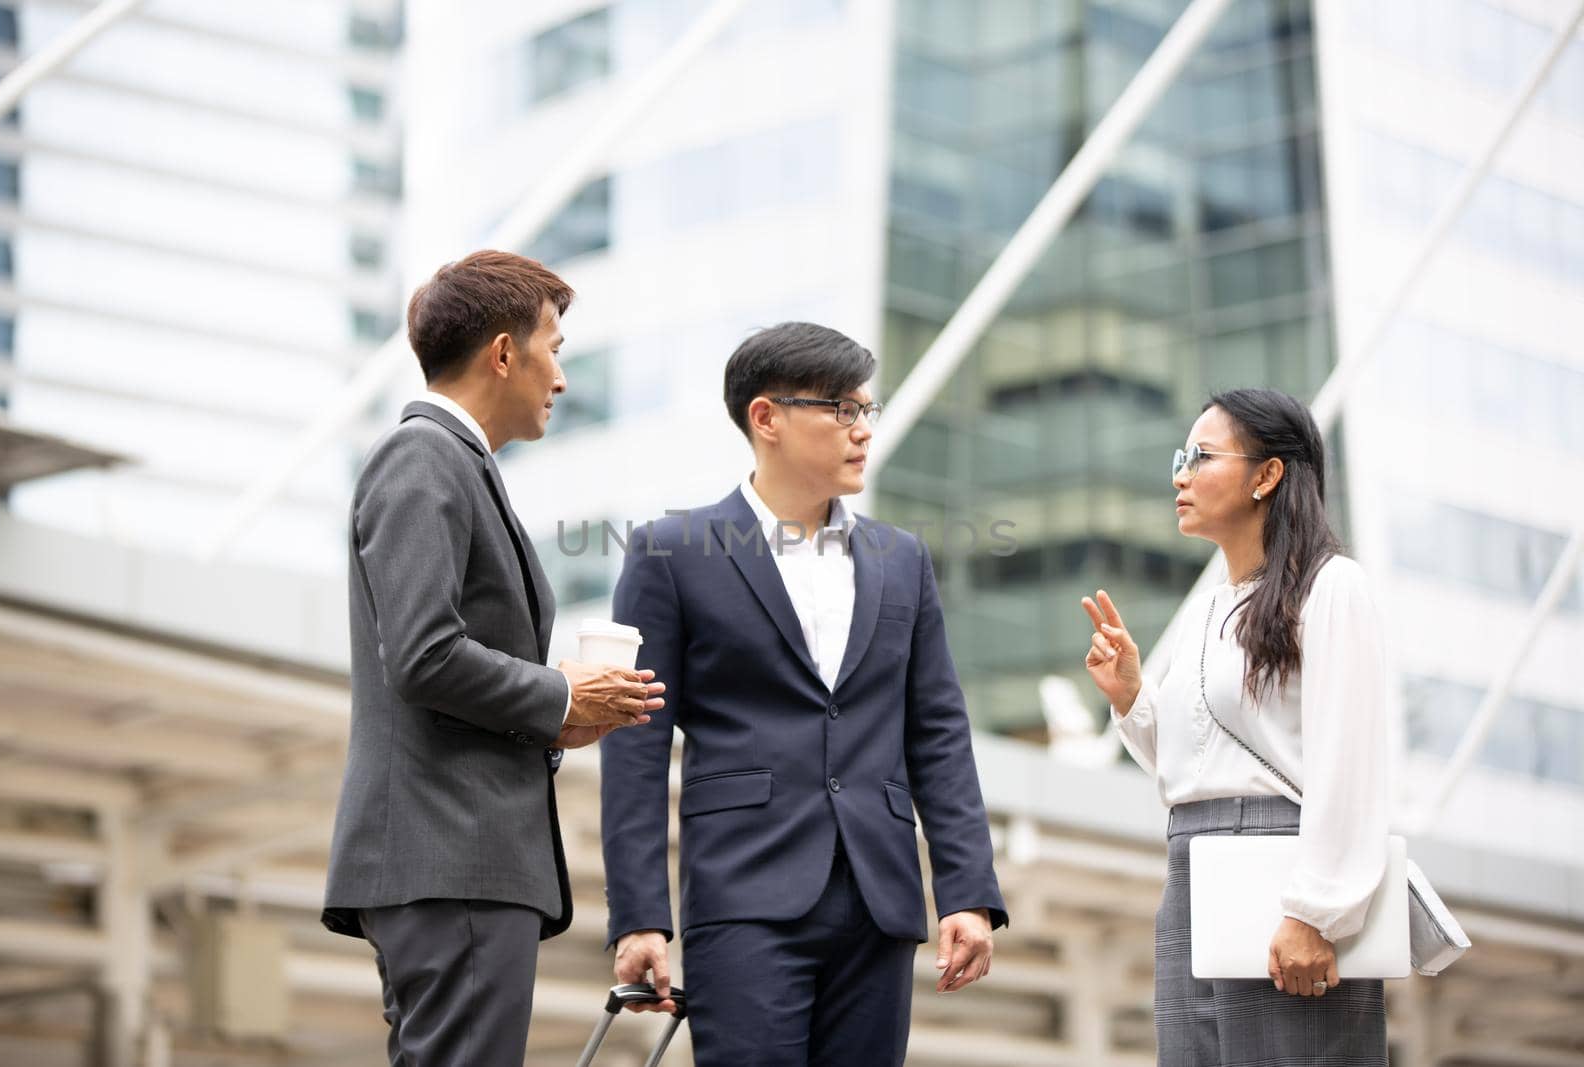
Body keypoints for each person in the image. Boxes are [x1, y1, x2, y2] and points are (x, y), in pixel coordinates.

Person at [601, 322, 1007, 1065]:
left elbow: (938, 731)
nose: (863, 430)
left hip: (878, 899)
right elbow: (636, 742)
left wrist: (967, 890)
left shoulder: (902, 559)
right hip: (744, 895)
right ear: (767, 418)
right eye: (842, 410)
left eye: (867, 411)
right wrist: (638, 917)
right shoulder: (669, 552)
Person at [321, 250, 665, 1066]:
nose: (561, 377)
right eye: (553, 348)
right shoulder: (424, 457)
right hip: (451, 855)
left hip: (455, 860)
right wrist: (555, 695)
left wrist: (559, 719)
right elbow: (424, 654)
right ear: (503, 353)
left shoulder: (455, 464)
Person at [1082, 387, 1390, 1066]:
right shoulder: (1210, 606)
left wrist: (1316, 909)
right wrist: (1133, 696)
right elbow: (1194, 769)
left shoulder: (1331, 585)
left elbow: (1351, 759)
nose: (1180, 475)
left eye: (1201, 456)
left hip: (1283, 872)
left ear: (1267, 474)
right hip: (1191, 866)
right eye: (1180, 457)